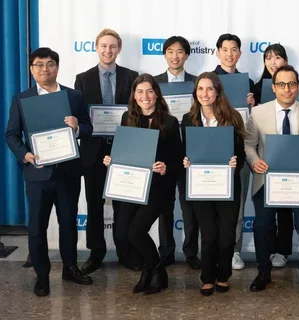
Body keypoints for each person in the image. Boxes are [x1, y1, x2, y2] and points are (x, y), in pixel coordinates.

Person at [5, 47, 93, 296]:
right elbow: (11, 135)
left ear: (58, 66)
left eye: (51, 63)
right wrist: (25, 154)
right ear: (32, 70)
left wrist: (77, 128)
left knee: (68, 224)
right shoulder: (22, 99)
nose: (45, 69)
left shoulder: (74, 96)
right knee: (36, 226)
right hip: (37, 173)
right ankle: (42, 274)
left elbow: (88, 127)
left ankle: (70, 267)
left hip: (68, 172)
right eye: (39, 64)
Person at [245, 65, 299, 293]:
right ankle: (263, 272)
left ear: (298, 87)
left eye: (291, 84)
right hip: (267, 179)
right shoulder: (258, 113)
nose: (287, 89)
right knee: (262, 226)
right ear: (273, 88)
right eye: (281, 84)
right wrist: (254, 160)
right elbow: (249, 144)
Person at [103, 74, 182, 295]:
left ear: (156, 94)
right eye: (139, 92)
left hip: (158, 189)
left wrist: (166, 167)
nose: (144, 96)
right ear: (134, 96)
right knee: (122, 233)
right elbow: (123, 151)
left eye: (149, 91)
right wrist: (111, 159)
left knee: (136, 231)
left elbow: (178, 159)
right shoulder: (127, 118)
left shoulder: (169, 122)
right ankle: (152, 268)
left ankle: (154, 270)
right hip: (131, 188)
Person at [74, 28, 139, 274]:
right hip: (93, 151)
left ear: (119, 49)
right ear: (96, 48)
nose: (108, 50)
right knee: (94, 204)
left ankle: (125, 251)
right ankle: (96, 251)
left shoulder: (131, 76)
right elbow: (82, 116)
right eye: (103, 46)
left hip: (124, 150)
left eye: (112, 46)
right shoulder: (83, 78)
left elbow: (136, 111)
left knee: (124, 205)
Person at [181, 72, 246, 296]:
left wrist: (235, 162)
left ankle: (223, 275)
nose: (204, 93)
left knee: (227, 236)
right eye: (200, 89)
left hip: (227, 185)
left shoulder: (233, 118)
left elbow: (242, 155)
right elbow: (185, 152)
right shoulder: (188, 119)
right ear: (195, 92)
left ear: (217, 91)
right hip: (201, 185)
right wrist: (185, 161)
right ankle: (207, 277)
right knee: (208, 235)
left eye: (209, 88)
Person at [247, 44, 299, 269]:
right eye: (268, 58)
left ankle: (284, 249)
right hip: (264, 155)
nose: (272, 62)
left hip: (289, 151)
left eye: (277, 58)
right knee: (266, 211)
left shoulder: (296, 87)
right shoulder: (256, 86)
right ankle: (266, 253)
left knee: (286, 206)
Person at [154, 36, 200, 270]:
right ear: (164, 55)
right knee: (164, 205)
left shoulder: (197, 84)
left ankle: (191, 252)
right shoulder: (154, 84)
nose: (175, 56)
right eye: (170, 51)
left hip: (189, 153)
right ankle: (166, 251)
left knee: (189, 207)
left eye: (180, 52)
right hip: (163, 152)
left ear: (187, 55)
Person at [212, 33, 256, 270]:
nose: (230, 54)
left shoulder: (247, 82)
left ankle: (234, 250)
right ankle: (212, 249)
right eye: (225, 49)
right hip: (214, 149)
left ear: (239, 53)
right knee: (212, 206)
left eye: (234, 49)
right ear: (217, 52)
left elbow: (252, 122)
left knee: (237, 206)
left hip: (239, 151)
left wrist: (252, 107)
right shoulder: (208, 80)